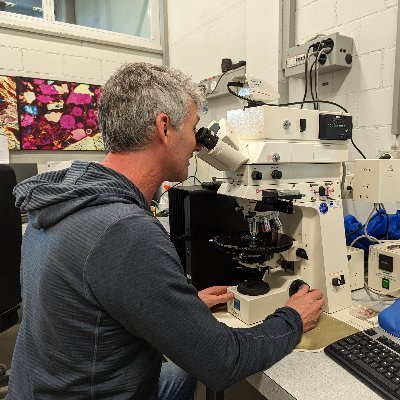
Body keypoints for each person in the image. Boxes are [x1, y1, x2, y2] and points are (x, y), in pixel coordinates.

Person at [7, 62, 324, 400]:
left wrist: (178, 310)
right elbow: (223, 362)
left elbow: (94, 310)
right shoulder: (123, 229)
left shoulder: (61, 200)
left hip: (46, 388)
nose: (198, 145)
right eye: (193, 128)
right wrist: (292, 318)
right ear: (164, 128)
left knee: (181, 371)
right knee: (197, 369)